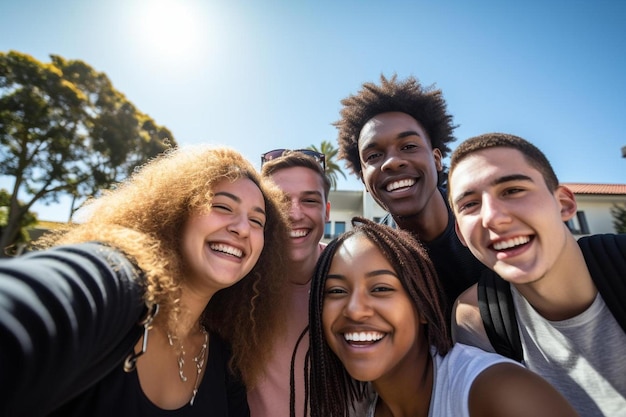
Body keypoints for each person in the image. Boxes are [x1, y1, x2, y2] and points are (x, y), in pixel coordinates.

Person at [0, 145, 291, 416]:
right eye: (223, 207)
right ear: (176, 213)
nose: (242, 228)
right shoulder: (117, 283)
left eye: (257, 221)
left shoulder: (227, 363)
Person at [308, 217, 578, 417]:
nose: (354, 309)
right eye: (336, 290)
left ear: (422, 307)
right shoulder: (355, 406)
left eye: (381, 288)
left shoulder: (500, 393)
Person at [448, 133, 626, 417]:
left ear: (564, 204)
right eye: (470, 204)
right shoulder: (476, 319)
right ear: (461, 235)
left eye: (512, 190)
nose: (492, 217)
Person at [334, 74, 485, 316]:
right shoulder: (371, 253)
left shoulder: (486, 222)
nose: (392, 162)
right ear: (364, 179)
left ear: (436, 159)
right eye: (373, 156)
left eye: (408, 147)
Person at [247, 149, 331, 417]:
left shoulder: (354, 273)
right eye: (281, 201)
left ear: (326, 211)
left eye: (309, 200)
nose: (294, 214)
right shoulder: (239, 281)